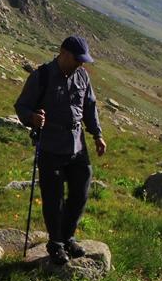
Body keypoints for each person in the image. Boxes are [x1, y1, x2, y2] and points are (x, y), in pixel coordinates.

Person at [14, 36, 107, 264]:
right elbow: (21, 106)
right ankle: (55, 243)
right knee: (53, 196)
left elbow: (89, 106)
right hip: (50, 145)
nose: (80, 64)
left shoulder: (82, 75)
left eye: (83, 61)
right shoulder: (42, 76)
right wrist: (32, 118)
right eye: (77, 59)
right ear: (63, 53)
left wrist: (97, 134)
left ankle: (68, 237)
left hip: (77, 143)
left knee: (81, 190)